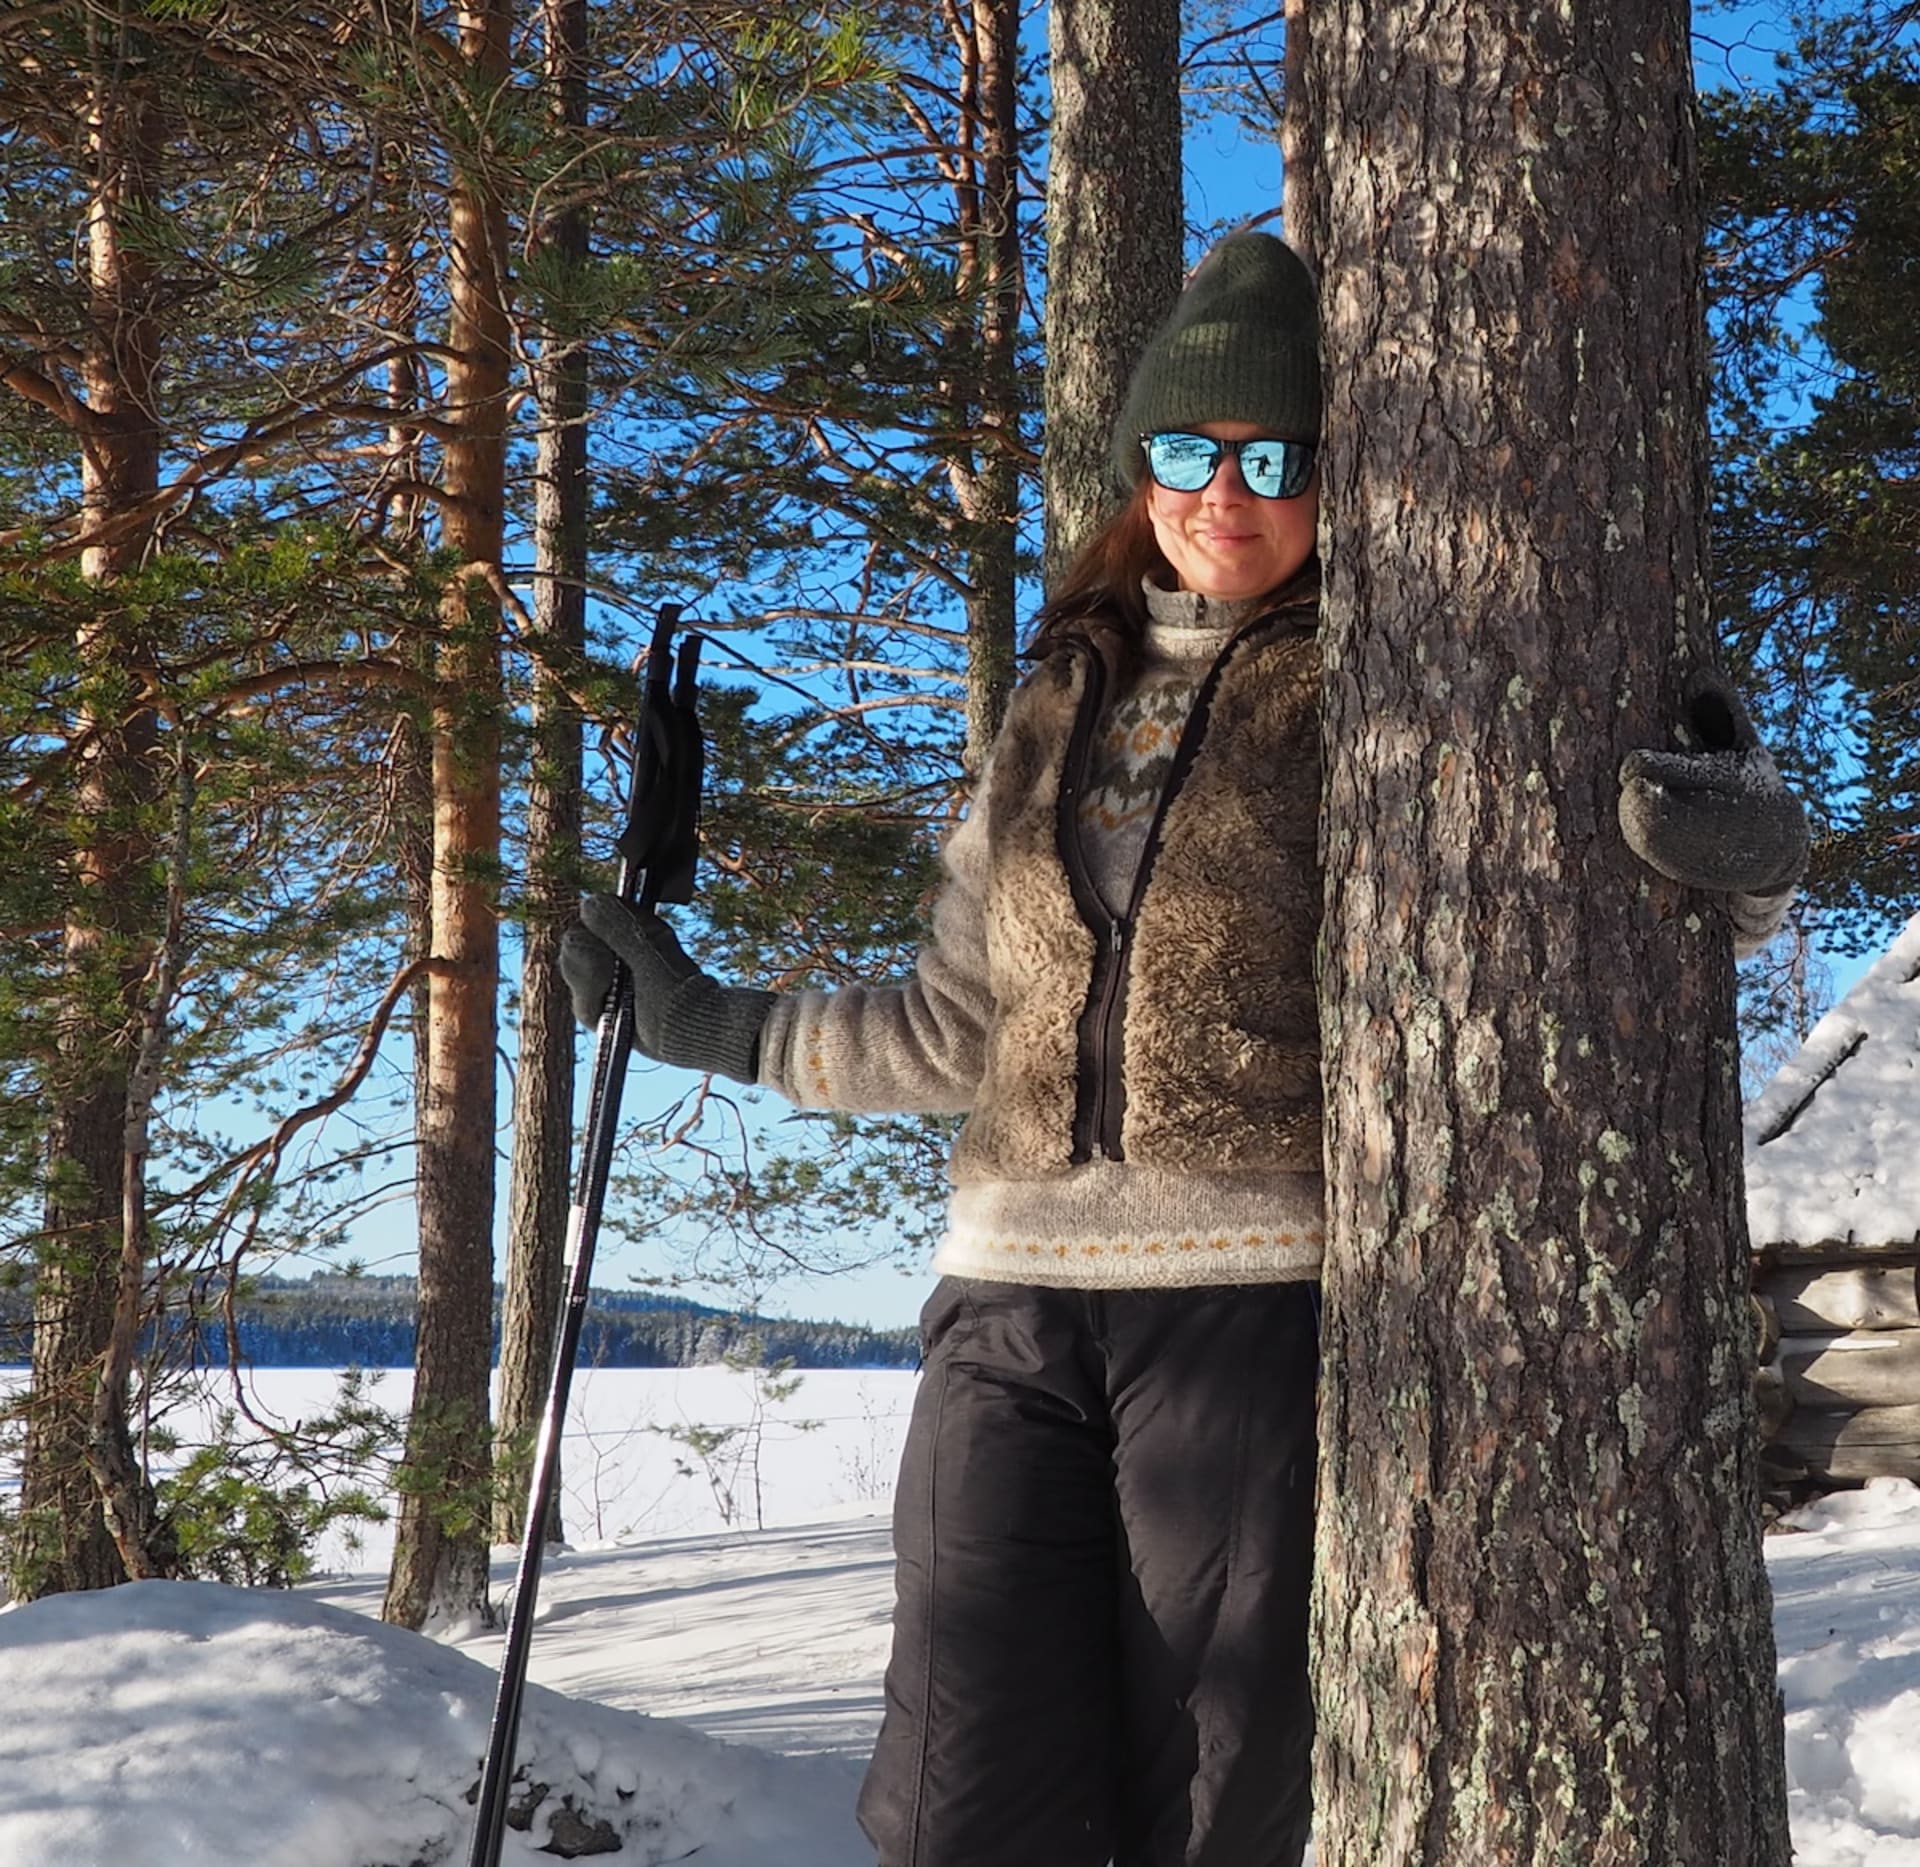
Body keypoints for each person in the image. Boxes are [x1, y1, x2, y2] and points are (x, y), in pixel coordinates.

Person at [560, 233, 1808, 1867]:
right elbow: (957, 1024)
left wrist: (1748, 860)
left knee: (1214, 1800)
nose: (1226, 494)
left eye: (1276, 458)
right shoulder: (1050, 704)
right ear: (1139, 464)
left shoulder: (1394, 684)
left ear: (1338, 483)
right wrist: (717, 1025)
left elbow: (1605, 924)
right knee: (954, 1795)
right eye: (1188, 451)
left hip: (1245, 1313)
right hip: (1006, 1308)